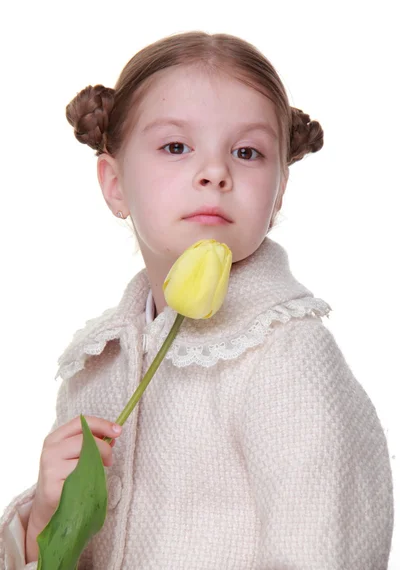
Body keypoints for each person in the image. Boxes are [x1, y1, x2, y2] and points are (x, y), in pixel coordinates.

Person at [0, 31, 394, 569]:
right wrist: (46, 519)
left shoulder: (287, 359)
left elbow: (322, 551)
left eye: (247, 152)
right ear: (114, 183)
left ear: (278, 192)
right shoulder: (97, 366)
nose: (215, 172)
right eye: (176, 147)